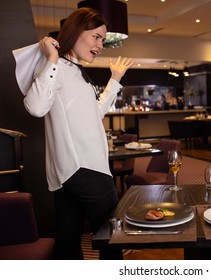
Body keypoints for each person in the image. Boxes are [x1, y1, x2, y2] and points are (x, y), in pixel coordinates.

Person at [23, 7, 133, 259]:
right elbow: (36, 107)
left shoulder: (74, 71)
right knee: (112, 239)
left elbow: (93, 113)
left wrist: (115, 80)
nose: (100, 44)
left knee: (68, 243)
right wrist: (51, 58)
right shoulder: (57, 67)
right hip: (86, 169)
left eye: (103, 40)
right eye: (96, 36)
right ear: (75, 32)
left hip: (71, 172)